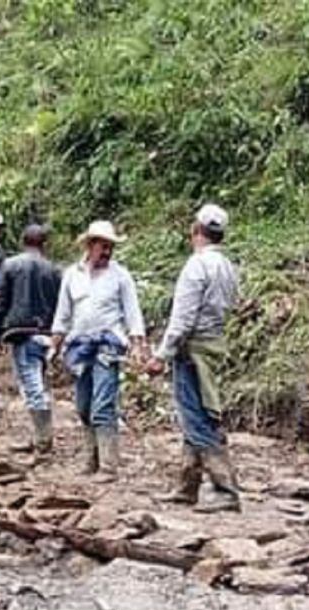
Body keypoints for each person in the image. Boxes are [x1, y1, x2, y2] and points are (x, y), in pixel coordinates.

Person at [147, 205, 241, 513]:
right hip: (214, 344)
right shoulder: (227, 266)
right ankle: (187, 486)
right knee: (199, 414)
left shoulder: (196, 266)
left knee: (196, 418)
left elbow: (183, 319)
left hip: (193, 350)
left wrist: (162, 355)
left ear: (195, 230)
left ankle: (225, 488)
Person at [52, 220, 146, 483]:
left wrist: (138, 344)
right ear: (89, 246)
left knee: (103, 405)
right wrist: (55, 343)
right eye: (103, 246)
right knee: (83, 406)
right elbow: (63, 313)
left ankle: (108, 466)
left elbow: (133, 312)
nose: (107, 251)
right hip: (80, 347)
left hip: (109, 345)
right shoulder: (72, 274)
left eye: (110, 247)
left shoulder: (120, 275)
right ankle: (90, 458)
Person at [0, 224, 62, 458]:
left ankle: (43, 441)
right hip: (47, 331)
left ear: (23, 241)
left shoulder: (11, 265)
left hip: (22, 331)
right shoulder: (53, 269)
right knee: (40, 383)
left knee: (32, 386)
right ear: (45, 243)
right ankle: (40, 437)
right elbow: (60, 304)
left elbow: (1, 301)